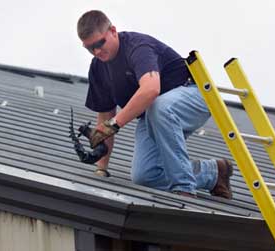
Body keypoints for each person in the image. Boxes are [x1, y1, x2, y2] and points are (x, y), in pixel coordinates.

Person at [77, 10, 233, 199]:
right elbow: (105, 117)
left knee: (159, 106)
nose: (96, 52)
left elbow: (151, 89)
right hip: (154, 113)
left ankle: (184, 187)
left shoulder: (137, 47)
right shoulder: (98, 68)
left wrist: (114, 125)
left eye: (100, 43)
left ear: (113, 31)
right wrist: (101, 168)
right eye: (90, 48)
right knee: (145, 175)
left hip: (194, 95)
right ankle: (214, 173)